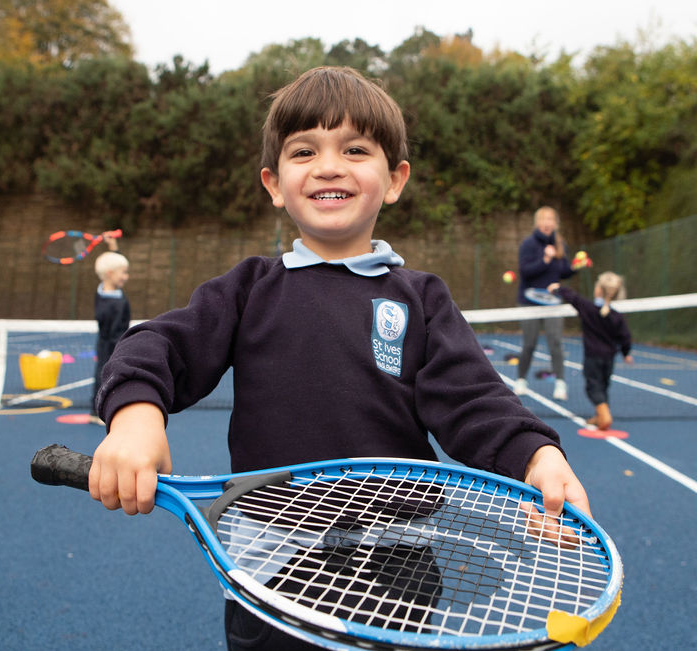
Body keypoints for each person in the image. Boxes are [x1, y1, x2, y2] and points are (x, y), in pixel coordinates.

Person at [86, 66, 592, 651]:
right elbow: (158, 345)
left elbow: (474, 398)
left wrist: (537, 455)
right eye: (304, 151)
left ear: (395, 179)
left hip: (400, 564)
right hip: (271, 568)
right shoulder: (249, 289)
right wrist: (136, 418)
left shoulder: (422, 299)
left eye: (355, 149)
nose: (329, 166)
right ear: (274, 184)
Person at [548, 274, 633, 431]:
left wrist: (557, 288)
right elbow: (625, 336)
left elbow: (573, 297)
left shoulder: (588, 308)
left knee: (593, 387)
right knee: (603, 387)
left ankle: (604, 415)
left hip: (593, 357)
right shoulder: (616, 316)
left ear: (599, 290)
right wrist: (626, 353)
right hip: (609, 359)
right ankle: (600, 416)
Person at [513, 206, 577, 400]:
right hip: (529, 302)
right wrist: (545, 259)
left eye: (551, 219)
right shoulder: (528, 244)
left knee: (555, 343)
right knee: (529, 343)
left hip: (553, 303)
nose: (547, 223)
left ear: (555, 223)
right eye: (544, 219)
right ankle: (521, 380)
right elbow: (525, 272)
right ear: (537, 223)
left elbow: (563, 272)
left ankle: (560, 384)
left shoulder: (560, 244)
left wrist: (575, 267)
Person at [90, 234, 130, 424]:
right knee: (105, 375)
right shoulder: (111, 304)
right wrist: (123, 348)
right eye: (123, 273)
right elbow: (113, 333)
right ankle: (98, 411)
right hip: (111, 345)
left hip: (113, 342)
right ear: (110, 274)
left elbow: (115, 266)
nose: (126, 277)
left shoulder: (106, 292)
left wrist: (113, 247)